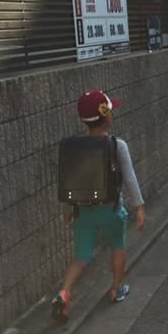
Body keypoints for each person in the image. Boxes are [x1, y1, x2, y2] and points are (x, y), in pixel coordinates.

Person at [51, 89, 146, 321]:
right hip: (111, 211)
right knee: (117, 246)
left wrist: (67, 211)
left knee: (81, 255)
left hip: (82, 212)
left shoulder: (74, 147)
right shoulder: (117, 145)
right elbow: (130, 178)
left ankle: (65, 292)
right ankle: (117, 288)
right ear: (107, 116)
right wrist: (139, 206)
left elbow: (67, 181)